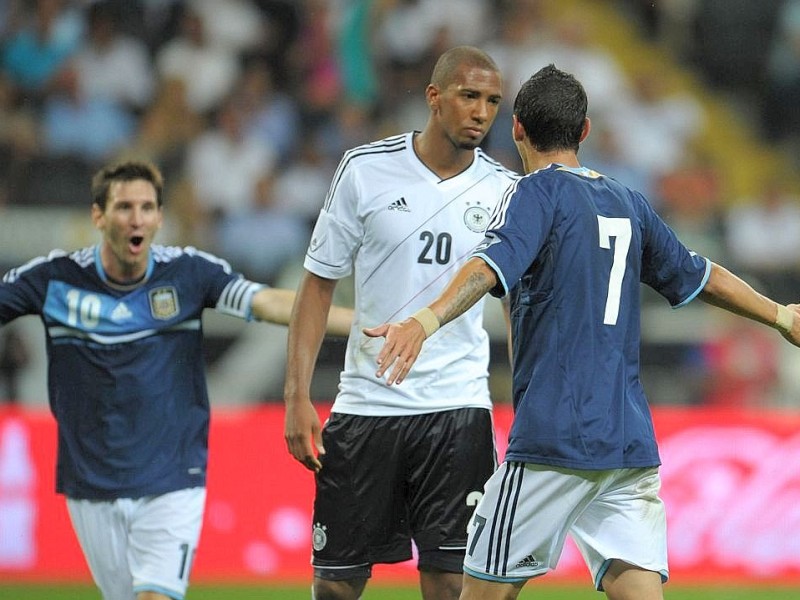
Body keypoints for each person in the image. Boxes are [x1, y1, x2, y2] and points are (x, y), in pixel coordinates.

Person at [365, 64, 800, 600]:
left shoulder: (535, 194)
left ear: (517, 128)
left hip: (554, 437)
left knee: (481, 593)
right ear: (585, 130)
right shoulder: (629, 202)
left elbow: (488, 267)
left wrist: (424, 319)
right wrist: (781, 315)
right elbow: (700, 273)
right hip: (627, 442)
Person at [0, 159, 352, 600]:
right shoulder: (54, 280)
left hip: (172, 476)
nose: (137, 218)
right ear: (98, 216)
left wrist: (359, 322)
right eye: (125, 207)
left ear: (160, 217)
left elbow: (269, 303)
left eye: (147, 208)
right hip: (90, 482)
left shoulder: (188, 273)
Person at [283, 46, 518, 600]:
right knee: (336, 585)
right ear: (434, 98)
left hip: (458, 408)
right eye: (468, 96)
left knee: (449, 581)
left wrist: (527, 396)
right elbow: (316, 285)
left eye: (491, 101)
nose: (481, 112)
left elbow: (516, 302)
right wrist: (297, 394)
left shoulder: (506, 191)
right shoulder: (365, 170)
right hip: (367, 404)